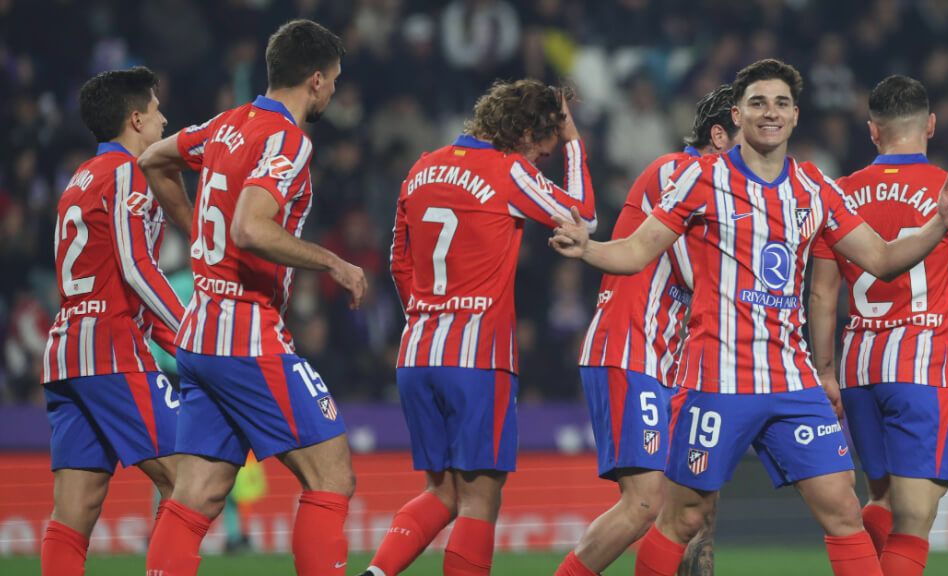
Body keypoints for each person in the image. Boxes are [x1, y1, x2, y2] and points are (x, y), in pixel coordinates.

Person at [548, 59, 948, 576]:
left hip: (791, 382)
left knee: (844, 510)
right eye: (757, 103)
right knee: (682, 518)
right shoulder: (701, 179)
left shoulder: (816, 188)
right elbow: (638, 251)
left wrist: (939, 223)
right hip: (716, 380)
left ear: (796, 116)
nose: (769, 113)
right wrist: (588, 249)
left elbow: (884, 257)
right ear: (738, 113)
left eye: (780, 103)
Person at [139, 20, 367, 576]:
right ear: (315, 81)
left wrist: (196, 228)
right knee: (332, 475)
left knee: (197, 494)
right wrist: (333, 262)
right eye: (333, 81)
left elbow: (152, 160)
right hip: (246, 333)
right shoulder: (289, 139)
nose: (334, 91)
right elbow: (249, 228)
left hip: (200, 336)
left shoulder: (227, 124)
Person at [359, 79, 596, 576]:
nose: (540, 164)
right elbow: (583, 218)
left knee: (440, 492)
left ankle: (375, 573)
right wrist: (574, 140)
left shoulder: (422, 166)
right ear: (528, 133)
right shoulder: (507, 169)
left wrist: (428, 316)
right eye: (544, 152)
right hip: (477, 357)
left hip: (418, 351)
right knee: (479, 500)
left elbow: (399, 261)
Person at [808, 74, 948, 576]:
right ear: (929, 124)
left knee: (880, 501)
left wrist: (825, 370)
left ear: (871, 131)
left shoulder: (838, 194)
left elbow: (821, 292)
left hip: (859, 367)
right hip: (920, 365)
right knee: (914, 520)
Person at [555, 84, 739, 576]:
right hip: (631, 347)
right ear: (720, 137)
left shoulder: (718, 188)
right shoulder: (678, 172)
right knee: (644, 503)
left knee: (697, 502)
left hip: (672, 361)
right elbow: (697, 272)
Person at [40, 66, 184, 576]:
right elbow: (136, 266)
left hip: (66, 353)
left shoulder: (78, 179)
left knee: (74, 510)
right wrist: (193, 333)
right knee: (187, 478)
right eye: (158, 109)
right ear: (137, 118)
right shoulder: (128, 172)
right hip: (111, 349)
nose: (166, 120)